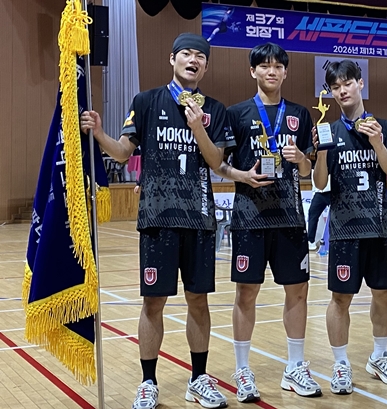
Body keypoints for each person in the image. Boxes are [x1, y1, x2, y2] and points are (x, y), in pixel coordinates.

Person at [81, 33, 233, 409]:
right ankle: (148, 382)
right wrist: (99, 132)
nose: (193, 60)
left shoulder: (215, 109)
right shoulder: (146, 101)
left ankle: (198, 379)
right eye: (186, 54)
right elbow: (122, 152)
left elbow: (216, 162)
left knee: (198, 301)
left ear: (206, 66)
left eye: (200, 56)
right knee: (153, 303)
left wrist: (198, 128)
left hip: (199, 219)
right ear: (172, 59)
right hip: (157, 219)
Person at [214, 42, 322, 402]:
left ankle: (295, 367)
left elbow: (307, 169)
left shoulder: (300, 114)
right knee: (246, 293)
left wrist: (300, 158)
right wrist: (242, 176)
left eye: (277, 66)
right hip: (249, 218)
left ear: (286, 72)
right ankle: (243, 370)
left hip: (290, 218)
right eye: (264, 65)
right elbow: (219, 164)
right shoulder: (236, 113)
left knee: (298, 291)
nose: (271, 71)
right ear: (253, 71)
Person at [313, 60, 387, 395]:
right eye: (335, 87)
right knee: (340, 299)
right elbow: (319, 183)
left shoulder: (385, 127)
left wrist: (378, 143)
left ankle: (379, 356)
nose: (342, 91)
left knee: (383, 295)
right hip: (344, 230)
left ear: (360, 83)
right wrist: (320, 152)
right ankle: (340, 364)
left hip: (380, 229)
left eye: (347, 84)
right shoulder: (329, 131)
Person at [307, 171, 330, 251]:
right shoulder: (314, 164)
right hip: (319, 193)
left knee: (337, 216)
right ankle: (311, 241)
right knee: (312, 214)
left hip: (332, 191)